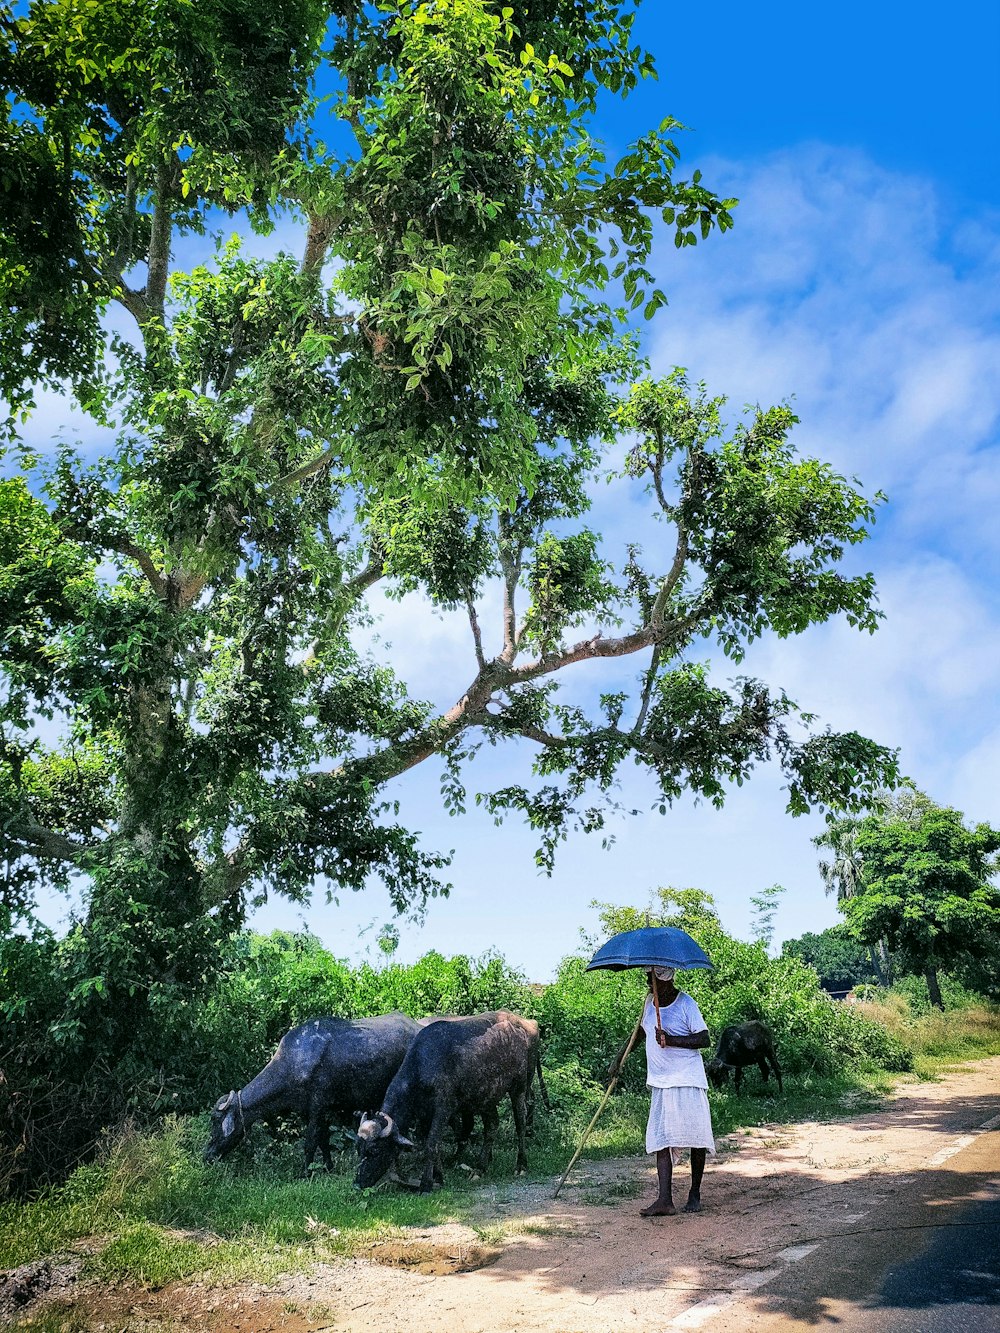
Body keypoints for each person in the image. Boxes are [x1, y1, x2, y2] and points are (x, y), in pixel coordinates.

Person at [608, 965, 714, 1216]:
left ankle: (695, 1193)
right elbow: (638, 1035)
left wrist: (672, 1039)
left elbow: (704, 1039)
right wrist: (618, 1060)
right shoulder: (649, 1003)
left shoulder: (686, 1004)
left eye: (652, 978)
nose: (649, 983)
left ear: (666, 980)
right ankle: (664, 1199)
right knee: (661, 1139)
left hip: (688, 1079)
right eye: (648, 978)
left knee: (696, 1138)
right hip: (661, 1081)